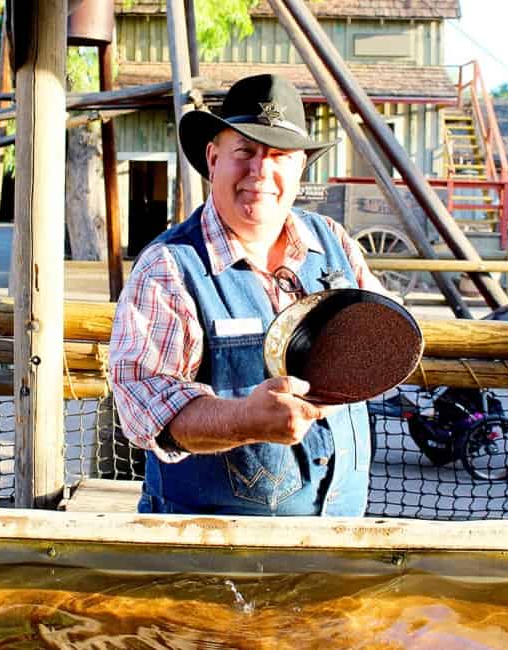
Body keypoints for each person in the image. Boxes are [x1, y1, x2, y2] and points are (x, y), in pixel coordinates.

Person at [109, 74, 386, 516]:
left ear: (300, 168)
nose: (261, 171)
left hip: (341, 529)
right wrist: (245, 421)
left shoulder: (334, 241)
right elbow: (144, 405)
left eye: (279, 155)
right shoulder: (169, 266)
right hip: (210, 547)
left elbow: (383, 340)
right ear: (213, 158)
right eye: (246, 152)